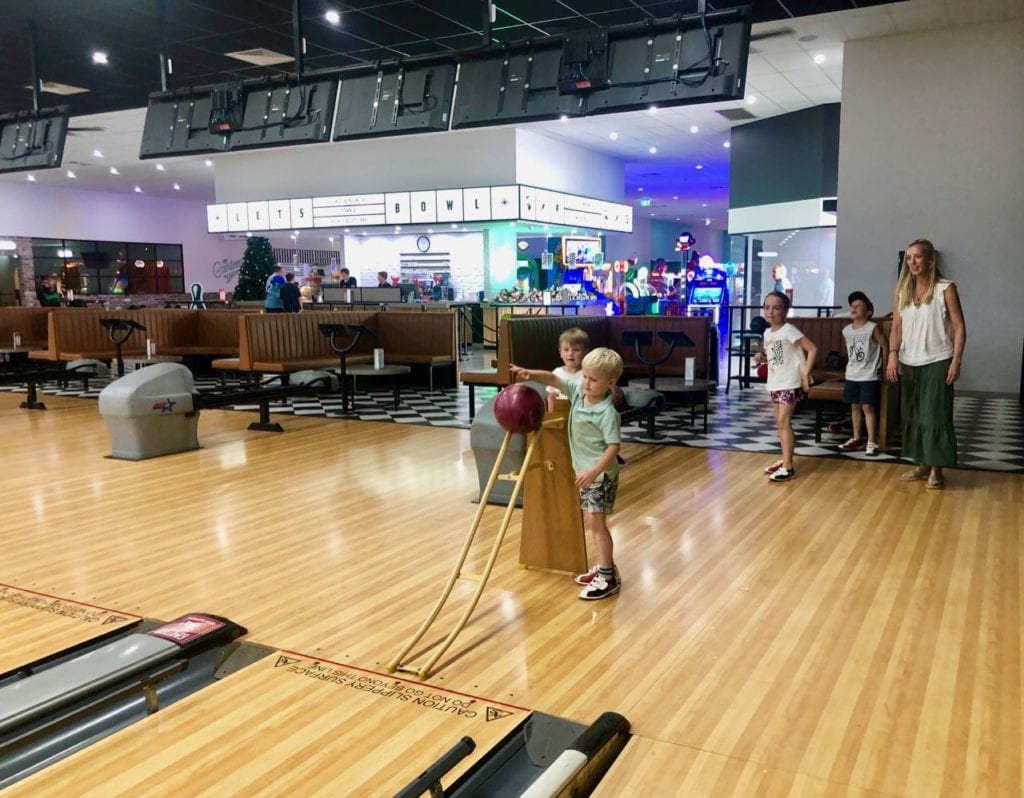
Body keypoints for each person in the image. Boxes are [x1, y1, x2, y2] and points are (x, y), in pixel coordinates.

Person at [510, 347, 623, 600]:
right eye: (585, 377)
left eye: (593, 380)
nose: (586, 383)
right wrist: (530, 373)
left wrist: (593, 472)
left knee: (596, 523)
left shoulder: (607, 413)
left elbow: (614, 447)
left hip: (600, 476)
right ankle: (607, 567)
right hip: (586, 474)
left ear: (611, 383)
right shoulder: (578, 394)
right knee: (590, 522)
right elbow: (554, 380)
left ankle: (608, 577)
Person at [886, 238, 965, 490]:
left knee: (936, 415)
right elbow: (896, 327)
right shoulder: (902, 292)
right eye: (909, 258)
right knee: (913, 414)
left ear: (930, 259)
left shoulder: (946, 288)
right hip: (909, 361)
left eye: (918, 256)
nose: (912, 262)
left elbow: (959, 326)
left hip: (938, 360)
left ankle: (937, 470)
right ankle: (921, 464)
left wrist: (956, 360)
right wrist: (892, 355)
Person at [754, 291, 817, 482]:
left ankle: (789, 467)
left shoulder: (789, 330)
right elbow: (777, 356)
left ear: (785, 311)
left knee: (783, 422)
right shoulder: (768, 333)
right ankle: (785, 459)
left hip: (790, 383)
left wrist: (805, 375)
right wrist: (762, 358)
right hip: (776, 382)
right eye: (767, 307)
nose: (770, 312)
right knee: (781, 424)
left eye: (776, 308)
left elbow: (812, 349)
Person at [839, 291, 888, 455]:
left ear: (868, 312)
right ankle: (856, 438)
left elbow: (885, 346)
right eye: (852, 306)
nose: (854, 308)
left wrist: (886, 366)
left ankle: (871, 440)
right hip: (852, 374)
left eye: (858, 306)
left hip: (869, 374)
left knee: (868, 407)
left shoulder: (872, 328)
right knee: (855, 407)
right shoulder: (846, 330)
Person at [545, 327, 589, 412]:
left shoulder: (587, 374)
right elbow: (550, 396)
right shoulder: (557, 373)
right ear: (560, 353)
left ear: (585, 353)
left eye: (576, 350)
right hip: (560, 415)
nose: (570, 354)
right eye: (566, 349)